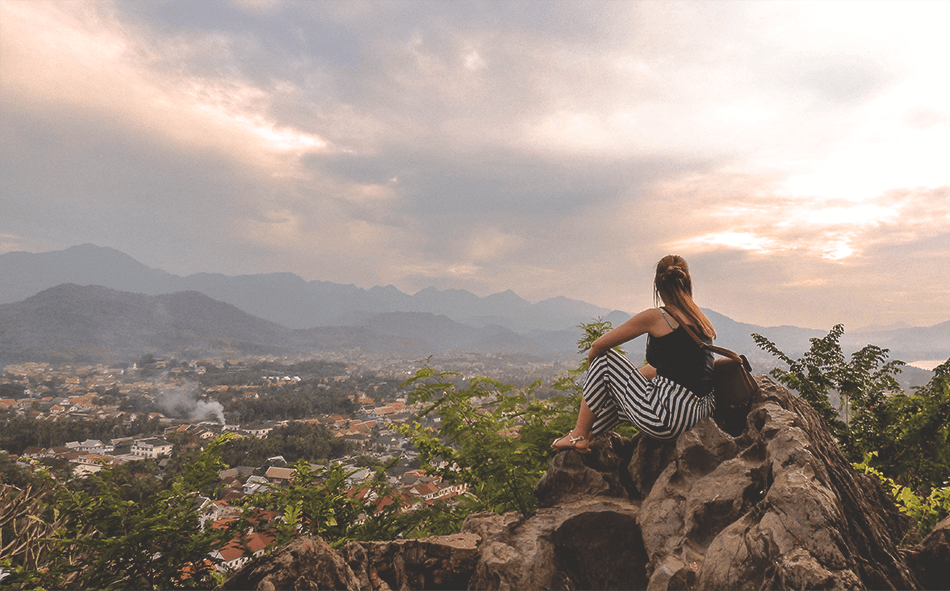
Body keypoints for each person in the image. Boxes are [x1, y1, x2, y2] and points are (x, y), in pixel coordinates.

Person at [552, 255, 716, 453]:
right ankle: (588, 434)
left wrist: (596, 376)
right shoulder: (700, 320)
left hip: (669, 420)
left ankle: (578, 434)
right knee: (624, 398)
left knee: (604, 360)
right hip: (699, 414)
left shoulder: (658, 316)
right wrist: (625, 382)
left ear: (657, 286)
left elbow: (597, 348)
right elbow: (668, 370)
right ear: (688, 282)